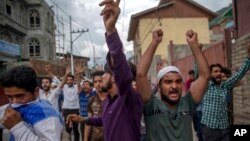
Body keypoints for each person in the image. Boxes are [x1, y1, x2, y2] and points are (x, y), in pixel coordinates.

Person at [67, 0, 143, 141]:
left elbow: (121, 68)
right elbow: (106, 119)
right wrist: (84, 119)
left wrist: (110, 30)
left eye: (105, 73)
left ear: (115, 77)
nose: (102, 77)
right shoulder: (109, 100)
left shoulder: (128, 99)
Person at [136, 29, 210, 141]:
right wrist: (154, 42)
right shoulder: (151, 105)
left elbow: (205, 76)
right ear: (159, 86)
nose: (174, 86)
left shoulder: (188, 104)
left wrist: (193, 45)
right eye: (168, 82)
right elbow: (141, 74)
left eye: (178, 81)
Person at [201, 43, 250, 141]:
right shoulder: (206, 86)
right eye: (215, 71)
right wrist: (197, 50)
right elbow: (199, 70)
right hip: (210, 129)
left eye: (219, 71)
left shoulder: (225, 85)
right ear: (210, 74)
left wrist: (248, 56)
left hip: (225, 128)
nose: (218, 73)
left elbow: (239, 74)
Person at [0, 66, 63, 141]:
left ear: (36, 92)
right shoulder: (12, 107)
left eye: (20, 96)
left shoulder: (48, 116)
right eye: (10, 97)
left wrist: (16, 127)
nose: (14, 102)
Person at [59, 66, 82, 141]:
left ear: (73, 80)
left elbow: (78, 85)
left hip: (75, 110)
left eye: (71, 80)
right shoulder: (64, 87)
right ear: (66, 81)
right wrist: (66, 74)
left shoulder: (76, 87)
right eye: (68, 80)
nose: (69, 81)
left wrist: (78, 74)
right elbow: (61, 85)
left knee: (76, 129)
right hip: (66, 110)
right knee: (68, 129)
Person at [84, 70, 106, 141]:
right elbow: (89, 121)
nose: (97, 84)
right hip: (95, 138)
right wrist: (85, 138)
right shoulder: (91, 100)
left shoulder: (112, 99)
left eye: (100, 81)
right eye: (95, 82)